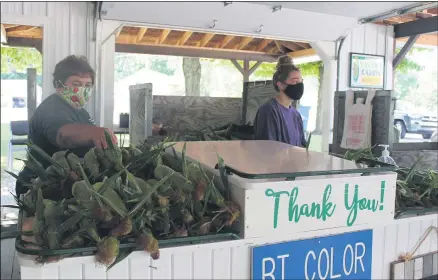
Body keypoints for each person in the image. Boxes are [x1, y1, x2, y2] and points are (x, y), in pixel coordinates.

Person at [16, 55, 118, 196]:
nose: (83, 89)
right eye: (76, 84)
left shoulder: (80, 111)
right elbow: (63, 135)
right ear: (58, 85)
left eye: (88, 85)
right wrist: (95, 132)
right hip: (40, 189)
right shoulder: (52, 108)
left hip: (68, 185)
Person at [253, 56, 306, 147]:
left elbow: (301, 145)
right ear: (280, 85)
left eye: (300, 81)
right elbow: (267, 148)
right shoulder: (268, 111)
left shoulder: (296, 115)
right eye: (295, 81)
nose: (299, 85)